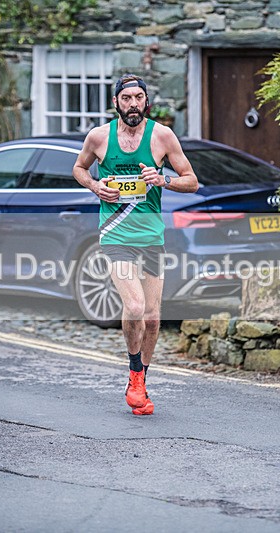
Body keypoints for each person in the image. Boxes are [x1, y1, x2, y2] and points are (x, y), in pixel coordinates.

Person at [73, 74, 199, 416]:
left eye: (138, 97)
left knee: (154, 318)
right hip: (116, 235)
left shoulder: (162, 136)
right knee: (134, 307)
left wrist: (164, 180)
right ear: (116, 102)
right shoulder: (99, 137)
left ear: (146, 101)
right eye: (126, 98)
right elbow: (79, 168)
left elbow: (192, 181)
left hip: (151, 237)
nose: (133, 104)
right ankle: (133, 373)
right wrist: (95, 187)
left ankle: (141, 379)